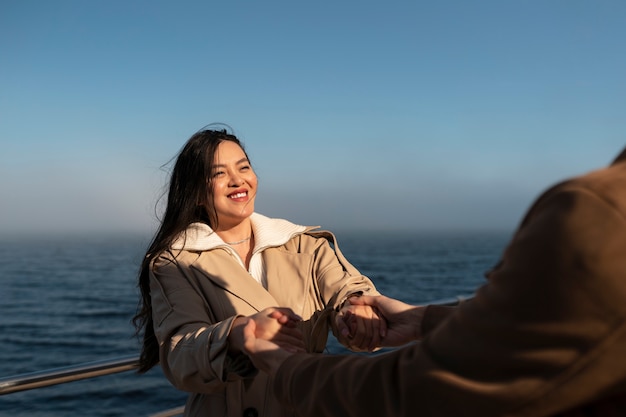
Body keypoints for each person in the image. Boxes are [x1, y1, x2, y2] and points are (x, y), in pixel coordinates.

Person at [243, 147, 626, 417]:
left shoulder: (600, 212)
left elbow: (416, 391)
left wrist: (283, 367)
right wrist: (422, 319)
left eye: (243, 167)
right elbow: (546, 336)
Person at [133, 126, 383, 417]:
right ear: (197, 193)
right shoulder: (176, 261)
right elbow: (180, 357)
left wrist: (357, 310)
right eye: (219, 173)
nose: (238, 180)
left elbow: (346, 288)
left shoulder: (304, 245)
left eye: (244, 167)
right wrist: (239, 334)